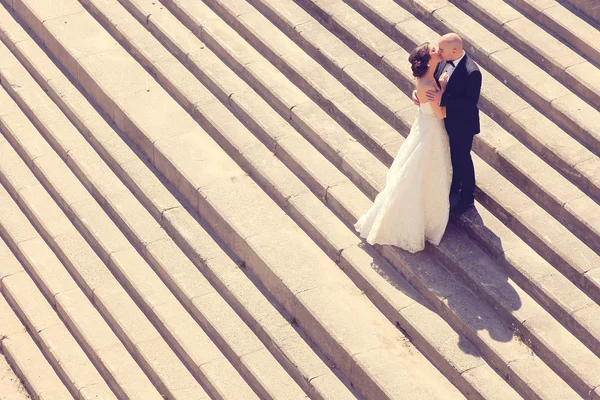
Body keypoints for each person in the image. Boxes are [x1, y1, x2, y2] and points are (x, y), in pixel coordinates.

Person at [355, 42, 452, 253]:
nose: (437, 50)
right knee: (424, 172)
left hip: (425, 125)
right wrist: (443, 88)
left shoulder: (426, 76)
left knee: (422, 171)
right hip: (431, 129)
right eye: (432, 51)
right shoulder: (427, 85)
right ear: (427, 60)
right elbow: (441, 113)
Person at [413, 33, 482, 215]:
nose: (438, 52)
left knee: (462, 158)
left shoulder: (472, 72)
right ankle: (453, 185)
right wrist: (418, 94)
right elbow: (429, 80)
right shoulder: (443, 61)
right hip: (442, 121)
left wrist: (442, 98)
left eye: (442, 49)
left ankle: (467, 197)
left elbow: (469, 102)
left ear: (455, 50)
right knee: (448, 156)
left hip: (462, 124)